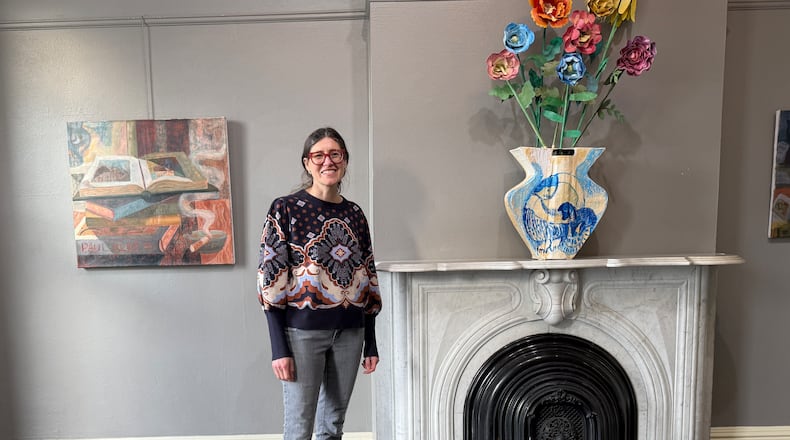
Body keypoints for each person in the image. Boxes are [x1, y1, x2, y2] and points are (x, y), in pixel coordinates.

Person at [257, 127, 382, 440]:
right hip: (302, 332)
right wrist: (278, 347)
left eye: (335, 154)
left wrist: (371, 340)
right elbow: (271, 279)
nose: (328, 161)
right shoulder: (284, 209)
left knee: (332, 427)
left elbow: (366, 275)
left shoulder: (355, 214)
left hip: (350, 332)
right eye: (319, 155)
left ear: (345, 161)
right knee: (299, 428)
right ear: (307, 163)